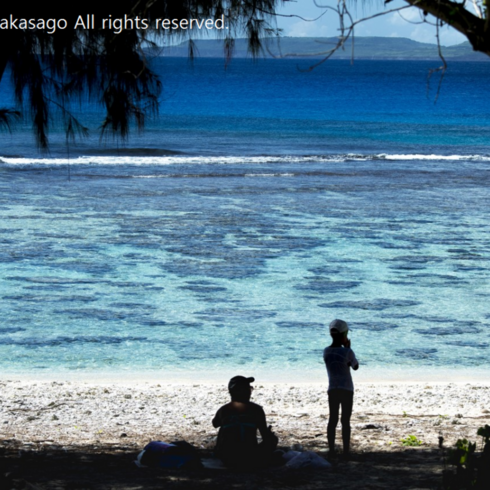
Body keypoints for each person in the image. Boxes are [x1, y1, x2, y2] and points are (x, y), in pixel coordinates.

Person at [212, 375, 278, 468]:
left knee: (224, 427)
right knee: (272, 439)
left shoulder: (224, 409)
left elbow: (215, 424)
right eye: (248, 388)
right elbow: (265, 435)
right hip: (250, 458)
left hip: (227, 458)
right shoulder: (256, 409)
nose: (250, 391)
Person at [323, 319, 359, 457]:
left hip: (332, 388)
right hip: (347, 389)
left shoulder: (326, 351)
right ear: (344, 334)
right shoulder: (347, 352)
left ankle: (332, 450)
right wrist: (348, 348)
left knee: (333, 419)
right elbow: (355, 366)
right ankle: (345, 451)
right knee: (345, 420)